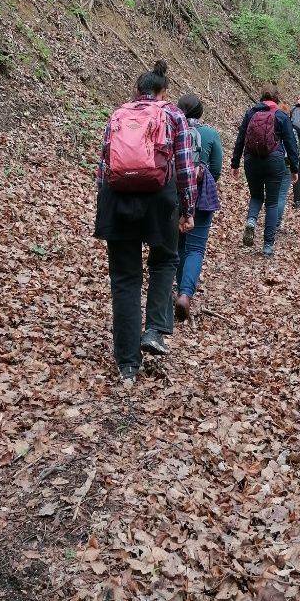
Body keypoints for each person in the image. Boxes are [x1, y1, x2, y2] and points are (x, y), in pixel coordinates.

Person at [94, 60, 196, 386]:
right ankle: (154, 329)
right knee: (165, 260)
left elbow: (103, 167)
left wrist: (105, 205)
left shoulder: (118, 115)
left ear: (136, 91)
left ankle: (127, 365)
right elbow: (184, 167)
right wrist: (188, 209)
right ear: (164, 91)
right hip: (160, 200)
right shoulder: (174, 115)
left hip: (117, 200)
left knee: (124, 280)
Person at [231, 86, 299, 258]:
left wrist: (235, 163)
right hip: (274, 161)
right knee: (272, 202)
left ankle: (251, 220)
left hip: (251, 160)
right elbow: (291, 143)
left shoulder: (250, 113)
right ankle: (268, 245)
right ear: (276, 99)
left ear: (261, 98)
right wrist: (295, 168)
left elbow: (241, 138)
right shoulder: (281, 115)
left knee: (256, 196)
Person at [174, 93, 223, 320]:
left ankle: (177, 289)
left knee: (178, 244)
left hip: (174, 193)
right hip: (200, 196)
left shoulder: (171, 129)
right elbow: (217, 168)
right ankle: (185, 294)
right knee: (195, 247)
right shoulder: (210, 134)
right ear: (200, 113)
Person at [275, 101, 298, 235]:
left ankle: (268, 219)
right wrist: (295, 168)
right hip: (286, 163)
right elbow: (295, 149)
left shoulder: (271, 126)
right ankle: (276, 223)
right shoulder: (291, 129)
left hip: (272, 161)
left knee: (272, 193)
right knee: (281, 195)